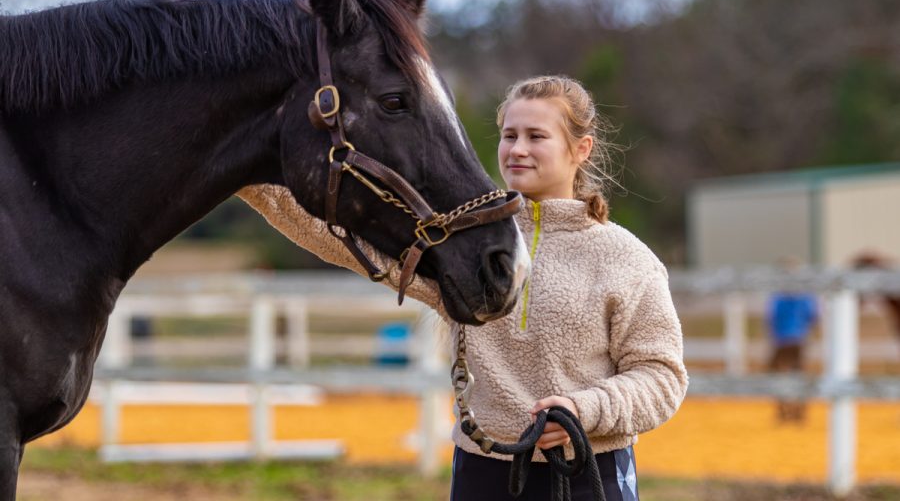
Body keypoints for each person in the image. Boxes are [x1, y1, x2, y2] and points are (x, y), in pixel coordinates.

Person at [238, 75, 688, 501]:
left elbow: (662, 378)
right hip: (481, 471)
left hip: (587, 471)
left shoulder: (625, 258)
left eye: (536, 136)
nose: (517, 149)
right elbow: (340, 238)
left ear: (581, 149)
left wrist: (585, 410)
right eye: (509, 135)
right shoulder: (462, 243)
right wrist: (244, 173)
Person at [766, 261, 819, 422]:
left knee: (778, 374)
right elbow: (813, 316)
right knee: (800, 374)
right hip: (800, 339)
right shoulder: (806, 297)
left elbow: (771, 317)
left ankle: (783, 411)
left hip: (781, 340)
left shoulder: (778, 297)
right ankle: (799, 412)